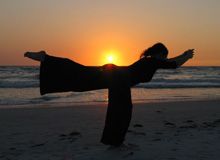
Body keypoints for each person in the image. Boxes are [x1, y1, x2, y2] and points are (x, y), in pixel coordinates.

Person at [24, 43, 194, 146]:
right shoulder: (152, 61)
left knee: (81, 76)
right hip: (118, 79)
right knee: (121, 110)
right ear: (159, 54)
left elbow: (170, 62)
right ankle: (46, 58)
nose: (165, 59)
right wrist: (186, 56)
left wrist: (183, 56)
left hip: (116, 76)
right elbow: (173, 64)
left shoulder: (149, 61)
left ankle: (46, 59)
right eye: (164, 55)